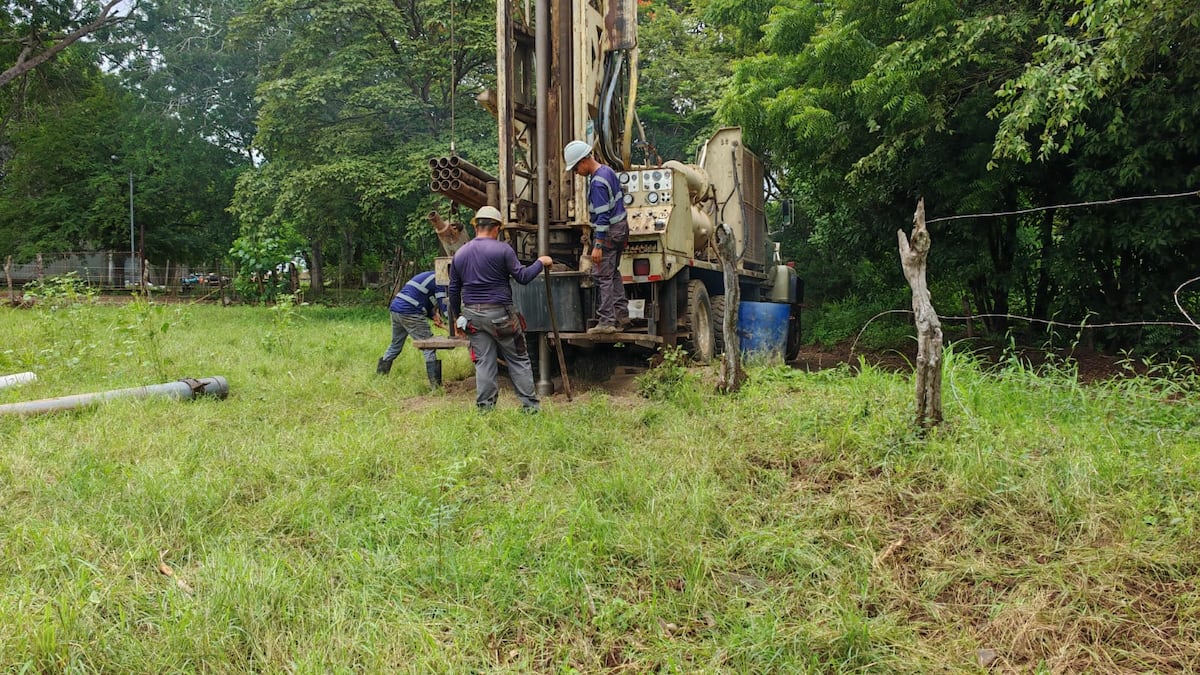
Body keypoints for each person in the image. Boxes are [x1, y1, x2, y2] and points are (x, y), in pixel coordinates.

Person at [448, 205, 553, 413]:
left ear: (476, 226)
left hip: (472, 317)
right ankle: (530, 408)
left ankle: (485, 410)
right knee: (518, 359)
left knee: (484, 362)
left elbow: (453, 289)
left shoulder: (460, 253)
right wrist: (541, 262)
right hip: (501, 316)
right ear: (497, 228)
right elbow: (523, 277)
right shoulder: (503, 250)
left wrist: (457, 317)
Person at [563, 139, 629, 333]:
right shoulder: (607, 171)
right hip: (621, 228)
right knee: (613, 273)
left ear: (584, 161)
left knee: (601, 275)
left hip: (608, 233)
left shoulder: (598, 183)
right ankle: (621, 316)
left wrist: (598, 245)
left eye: (576, 168)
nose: (576, 173)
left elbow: (602, 216)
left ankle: (606, 321)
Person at [376, 270, 446, 389]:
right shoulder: (440, 281)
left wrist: (433, 315)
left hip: (396, 309)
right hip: (410, 311)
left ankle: (380, 377)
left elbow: (422, 298)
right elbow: (444, 306)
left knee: (395, 345)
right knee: (429, 345)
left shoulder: (428, 276)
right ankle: (435, 387)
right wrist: (455, 321)